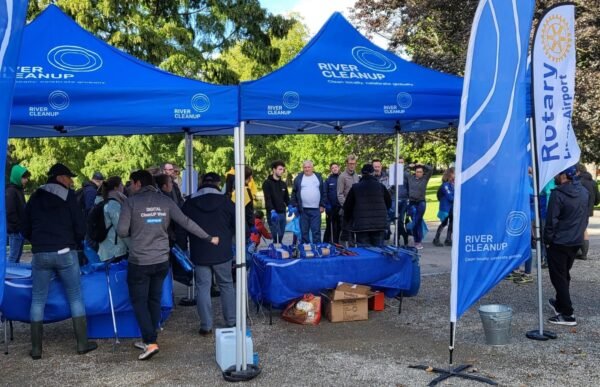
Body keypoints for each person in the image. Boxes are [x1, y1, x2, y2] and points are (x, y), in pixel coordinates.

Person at [117, 170, 218, 360]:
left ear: (138, 183)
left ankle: (150, 342)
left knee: (139, 301)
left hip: (140, 260)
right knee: (154, 299)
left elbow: (122, 231)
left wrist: (137, 228)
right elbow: (186, 222)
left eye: (132, 183)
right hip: (162, 260)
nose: (131, 186)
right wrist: (208, 237)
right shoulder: (166, 201)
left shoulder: (130, 203)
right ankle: (151, 336)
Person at [24, 163, 98, 359]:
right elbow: (80, 226)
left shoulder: (35, 196)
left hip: (40, 253)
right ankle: (82, 343)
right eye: (68, 177)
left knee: (38, 299)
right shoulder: (69, 197)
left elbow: (24, 226)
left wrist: (37, 242)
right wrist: (74, 241)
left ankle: (36, 348)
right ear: (59, 177)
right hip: (66, 251)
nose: (72, 181)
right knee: (75, 296)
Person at [177, 172, 236, 336]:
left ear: (201, 182)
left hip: (199, 251)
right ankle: (231, 321)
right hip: (222, 250)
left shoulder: (189, 202)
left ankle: (206, 326)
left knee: (202, 287)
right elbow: (237, 223)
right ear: (217, 183)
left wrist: (183, 248)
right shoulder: (226, 201)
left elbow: (181, 226)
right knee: (226, 285)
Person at [544, 165, 589, 326]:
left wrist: (547, 240)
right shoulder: (584, 192)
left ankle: (568, 314)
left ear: (564, 176)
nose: (555, 176)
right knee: (564, 274)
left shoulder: (558, 194)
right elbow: (585, 217)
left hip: (559, 242)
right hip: (575, 241)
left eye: (557, 173)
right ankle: (560, 303)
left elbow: (551, 221)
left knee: (559, 277)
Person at [343, 164, 392, 247]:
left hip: (361, 225)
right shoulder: (380, 186)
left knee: (365, 254)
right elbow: (389, 203)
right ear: (373, 173)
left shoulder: (355, 187)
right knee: (379, 253)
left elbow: (347, 207)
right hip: (379, 225)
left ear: (362, 174)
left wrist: (348, 221)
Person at [291, 160, 326, 244]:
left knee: (316, 231)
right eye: (305, 167)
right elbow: (294, 193)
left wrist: (322, 205)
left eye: (309, 167)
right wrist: (295, 206)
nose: (307, 169)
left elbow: (323, 192)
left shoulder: (318, 177)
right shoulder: (298, 178)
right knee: (304, 231)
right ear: (303, 168)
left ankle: (317, 248)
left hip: (316, 210)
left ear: (312, 168)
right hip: (303, 210)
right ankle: (306, 249)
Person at [97, 176, 129, 262]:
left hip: (106, 248)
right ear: (116, 187)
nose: (123, 187)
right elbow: (121, 229)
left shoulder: (102, 201)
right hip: (115, 250)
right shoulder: (114, 204)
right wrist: (132, 247)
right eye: (121, 185)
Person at [5, 164, 30, 263]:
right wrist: (17, 227)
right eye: (24, 177)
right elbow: (10, 211)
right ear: (17, 177)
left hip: (19, 230)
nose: (26, 180)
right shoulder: (11, 191)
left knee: (16, 257)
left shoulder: (18, 190)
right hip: (15, 230)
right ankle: (8, 277)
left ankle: (11, 275)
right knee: (13, 257)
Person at [576, 164, 600, 260]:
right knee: (583, 229)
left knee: (577, 229)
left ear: (578, 171)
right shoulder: (593, 182)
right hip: (588, 210)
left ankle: (579, 252)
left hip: (577, 209)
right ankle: (583, 253)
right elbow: (597, 200)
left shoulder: (577, 181)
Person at [262, 160, 290, 243]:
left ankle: (279, 247)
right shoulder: (267, 183)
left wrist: (291, 206)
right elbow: (268, 198)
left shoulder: (283, 184)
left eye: (283, 170)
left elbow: (286, 198)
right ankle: (275, 246)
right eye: (280, 169)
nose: (282, 171)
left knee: (281, 234)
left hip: (282, 212)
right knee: (275, 234)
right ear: (274, 170)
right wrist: (272, 210)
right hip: (273, 213)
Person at [406, 163, 433, 249]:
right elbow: (401, 171)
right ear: (415, 172)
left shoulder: (425, 178)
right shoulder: (410, 178)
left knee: (417, 221)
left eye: (421, 172)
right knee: (415, 221)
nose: (419, 173)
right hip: (412, 202)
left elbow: (431, 169)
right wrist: (409, 166)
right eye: (417, 172)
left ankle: (418, 241)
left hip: (421, 202)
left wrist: (423, 165)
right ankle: (416, 241)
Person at [337, 155, 360, 245]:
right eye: (350, 163)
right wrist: (347, 206)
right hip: (346, 209)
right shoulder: (342, 176)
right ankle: (344, 252)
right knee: (346, 233)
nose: (352, 166)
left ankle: (354, 250)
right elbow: (339, 194)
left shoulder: (356, 176)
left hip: (356, 209)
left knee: (354, 231)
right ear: (346, 164)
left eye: (353, 164)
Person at [390, 157, 411, 246]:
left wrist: (408, 199)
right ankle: (402, 236)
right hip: (394, 199)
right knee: (395, 220)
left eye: (402, 162)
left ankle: (397, 238)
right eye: (399, 162)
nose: (400, 164)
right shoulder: (392, 173)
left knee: (401, 220)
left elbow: (409, 187)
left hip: (404, 200)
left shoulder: (407, 174)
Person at [433, 167, 454, 247]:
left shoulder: (454, 184)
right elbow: (450, 197)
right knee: (444, 223)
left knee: (452, 223)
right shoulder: (445, 185)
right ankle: (436, 239)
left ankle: (448, 239)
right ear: (450, 174)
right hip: (446, 207)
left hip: (452, 208)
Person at [323, 162, 341, 244]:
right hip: (331, 208)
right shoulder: (328, 180)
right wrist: (327, 205)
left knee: (340, 226)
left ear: (339, 168)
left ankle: (338, 243)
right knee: (330, 227)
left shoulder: (342, 178)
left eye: (336, 167)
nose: (334, 169)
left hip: (341, 207)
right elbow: (325, 193)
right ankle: (327, 242)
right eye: (333, 168)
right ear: (331, 170)